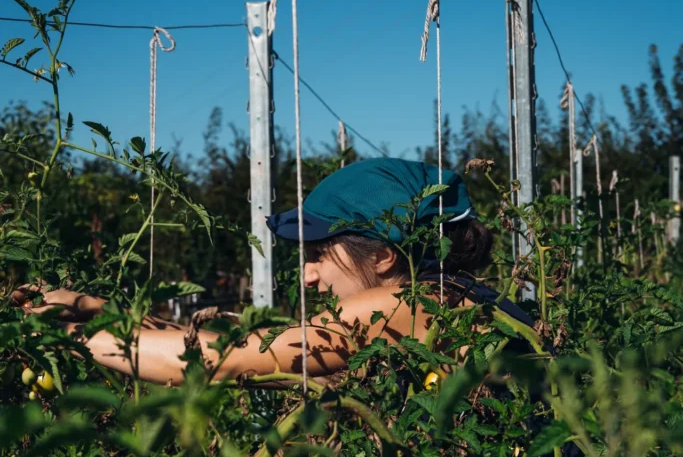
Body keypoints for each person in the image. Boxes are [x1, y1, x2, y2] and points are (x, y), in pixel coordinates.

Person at [15, 159, 534, 386]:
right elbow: (235, 343)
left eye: (318, 252)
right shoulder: (455, 296)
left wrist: (66, 340)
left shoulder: (404, 305)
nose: (306, 276)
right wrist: (93, 307)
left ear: (382, 256)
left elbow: (218, 361)